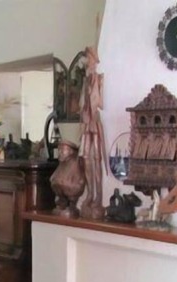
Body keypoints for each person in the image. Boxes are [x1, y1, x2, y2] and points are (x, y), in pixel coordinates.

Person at [78, 46, 108, 220]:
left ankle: (98, 196)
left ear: (94, 61)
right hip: (86, 122)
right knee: (86, 159)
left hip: (94, 122)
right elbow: (81, 104)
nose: (87, 61)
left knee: (97, 159)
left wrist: (93, 89)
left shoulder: (98, 78)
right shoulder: (86, 80)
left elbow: (99, 103)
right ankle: (90, 193)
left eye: (89, 58)